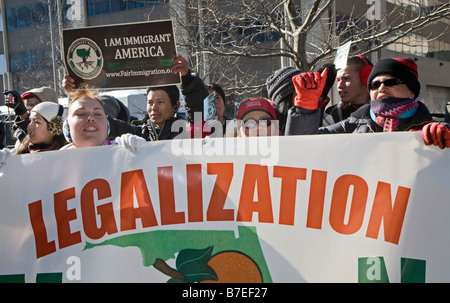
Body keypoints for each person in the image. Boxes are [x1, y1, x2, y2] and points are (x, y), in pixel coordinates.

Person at [285, 57, 450, 148]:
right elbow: (301, 147)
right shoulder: (351, 125)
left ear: (411, 92)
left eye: (391, 82)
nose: (382, 87)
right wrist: (305, 108)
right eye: (375, 84)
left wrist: (445, 134)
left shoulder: (431, 128)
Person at [61, 88, 146, 150]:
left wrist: (143, 155)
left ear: (108, 125)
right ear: (67, 126)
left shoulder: (123, 151)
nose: (91, 118)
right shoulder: (55, 163)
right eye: (81, 114)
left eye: (98, 114)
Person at [266, 64, 336, 133]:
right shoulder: (267, 126)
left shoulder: (325, 120)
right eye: (299, 91)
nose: (306, 92)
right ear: (285, 100)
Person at [0, 101, 67, 168]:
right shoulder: (17, 157)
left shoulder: (68, 158)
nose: (29, 126)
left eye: (36, 122)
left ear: (55, 128)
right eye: (30, 121)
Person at [325, 55, 373, 122]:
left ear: (366, 77)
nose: (339, 86)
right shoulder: (332, 114)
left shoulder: (385, 111)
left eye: (346, 78)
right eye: (338, 80)